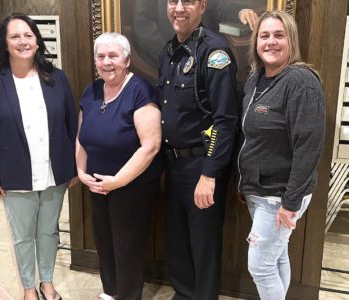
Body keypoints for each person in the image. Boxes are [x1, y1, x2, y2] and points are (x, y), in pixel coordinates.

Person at [0, 13, 78, 300]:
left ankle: (48, 282)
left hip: (54, 172)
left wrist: (72, 168)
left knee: (48, 232)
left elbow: (71, 125)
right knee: (22, 237)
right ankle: (29, 287)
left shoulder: (55, 77)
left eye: (28, 35)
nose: (23, 41)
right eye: (15, 36)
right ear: (5, 43)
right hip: (14, 174)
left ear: (37, 40)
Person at [238, 10, 325, 299]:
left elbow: (309, 146)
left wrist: (291, 201)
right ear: (256, 42)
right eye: (264, 36)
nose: (270, 42)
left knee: (260, 266)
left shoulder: (301, 81)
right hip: (258, 190)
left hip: (280, 194)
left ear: (292, 40)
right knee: (275, 257)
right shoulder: (255, 81)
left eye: (279, 35)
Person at [158, 0, 239, 298]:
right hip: (173, 164)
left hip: (200, 166)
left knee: (203, 246)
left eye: (188, 1)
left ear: (202, 6)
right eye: (172, 1)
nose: (179, 8)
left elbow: (225, 120)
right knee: (178, 242)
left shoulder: (215, 52)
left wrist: (209, 173)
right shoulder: (168, 52)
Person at [76, 32, 163, 300]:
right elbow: (81, 137)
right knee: (104, 242)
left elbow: (151, 146)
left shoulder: (141, 91)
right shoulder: (90, 92)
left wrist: (118, 181)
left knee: (127, 246)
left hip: (132, 186)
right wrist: (81, 172)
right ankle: (111, 292)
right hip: (97, 185)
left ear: (127, 59)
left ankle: (127, 296)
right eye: (101, 56)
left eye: (113, 56)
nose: (106, 62)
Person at [130, 0, 262, 78]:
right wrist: (172, 58)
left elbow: (218, 5)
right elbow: (143, 26)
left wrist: (241, 11)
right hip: (166, 61)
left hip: (205, 57)